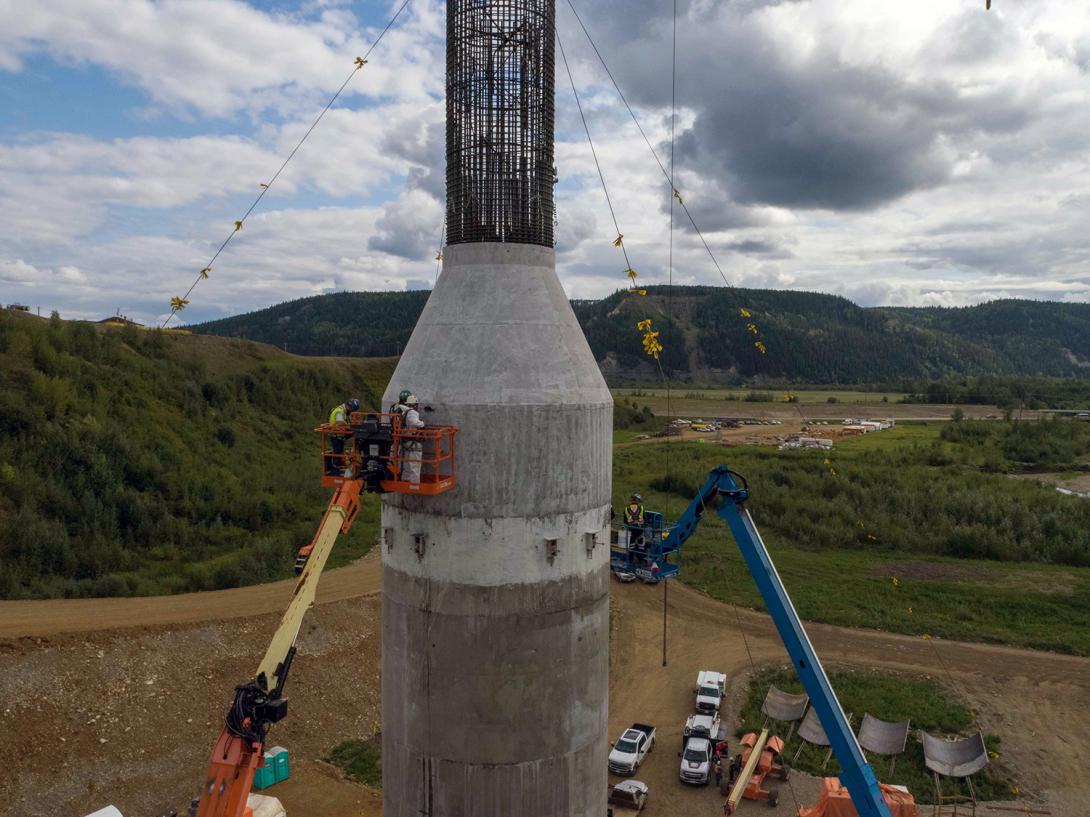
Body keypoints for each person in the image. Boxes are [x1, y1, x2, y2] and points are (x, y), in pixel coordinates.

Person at [392, 390, 425, 483]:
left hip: (405, 441)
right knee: (414, 465)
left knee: (406, 464)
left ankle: (405, 480)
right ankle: (414, 483)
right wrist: (423, 424)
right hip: (413, 442)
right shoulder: (412, 412)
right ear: (414, 404)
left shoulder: (402, 411)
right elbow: (414, 422)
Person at [326, 398, 360, 476]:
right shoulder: (339, 412)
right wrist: (349, 426)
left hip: (339, 436)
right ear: (349, 407)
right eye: (352, 410)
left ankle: (337, 470)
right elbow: (340, 422)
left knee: (338, 453)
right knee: (337, 455)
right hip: (336, 436)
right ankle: (335, 473)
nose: (351, 412)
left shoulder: (343, 412)